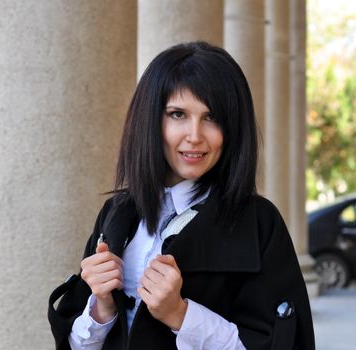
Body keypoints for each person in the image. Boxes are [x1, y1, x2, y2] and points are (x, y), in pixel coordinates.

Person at [48, 41, 315, 350]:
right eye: (177, 114)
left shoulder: (258, 223)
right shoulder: (118, 212)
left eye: (212, 117)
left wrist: (180, 314)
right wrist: (101, 308)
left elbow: (282, 342)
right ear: (151, 120)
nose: (195, 136)